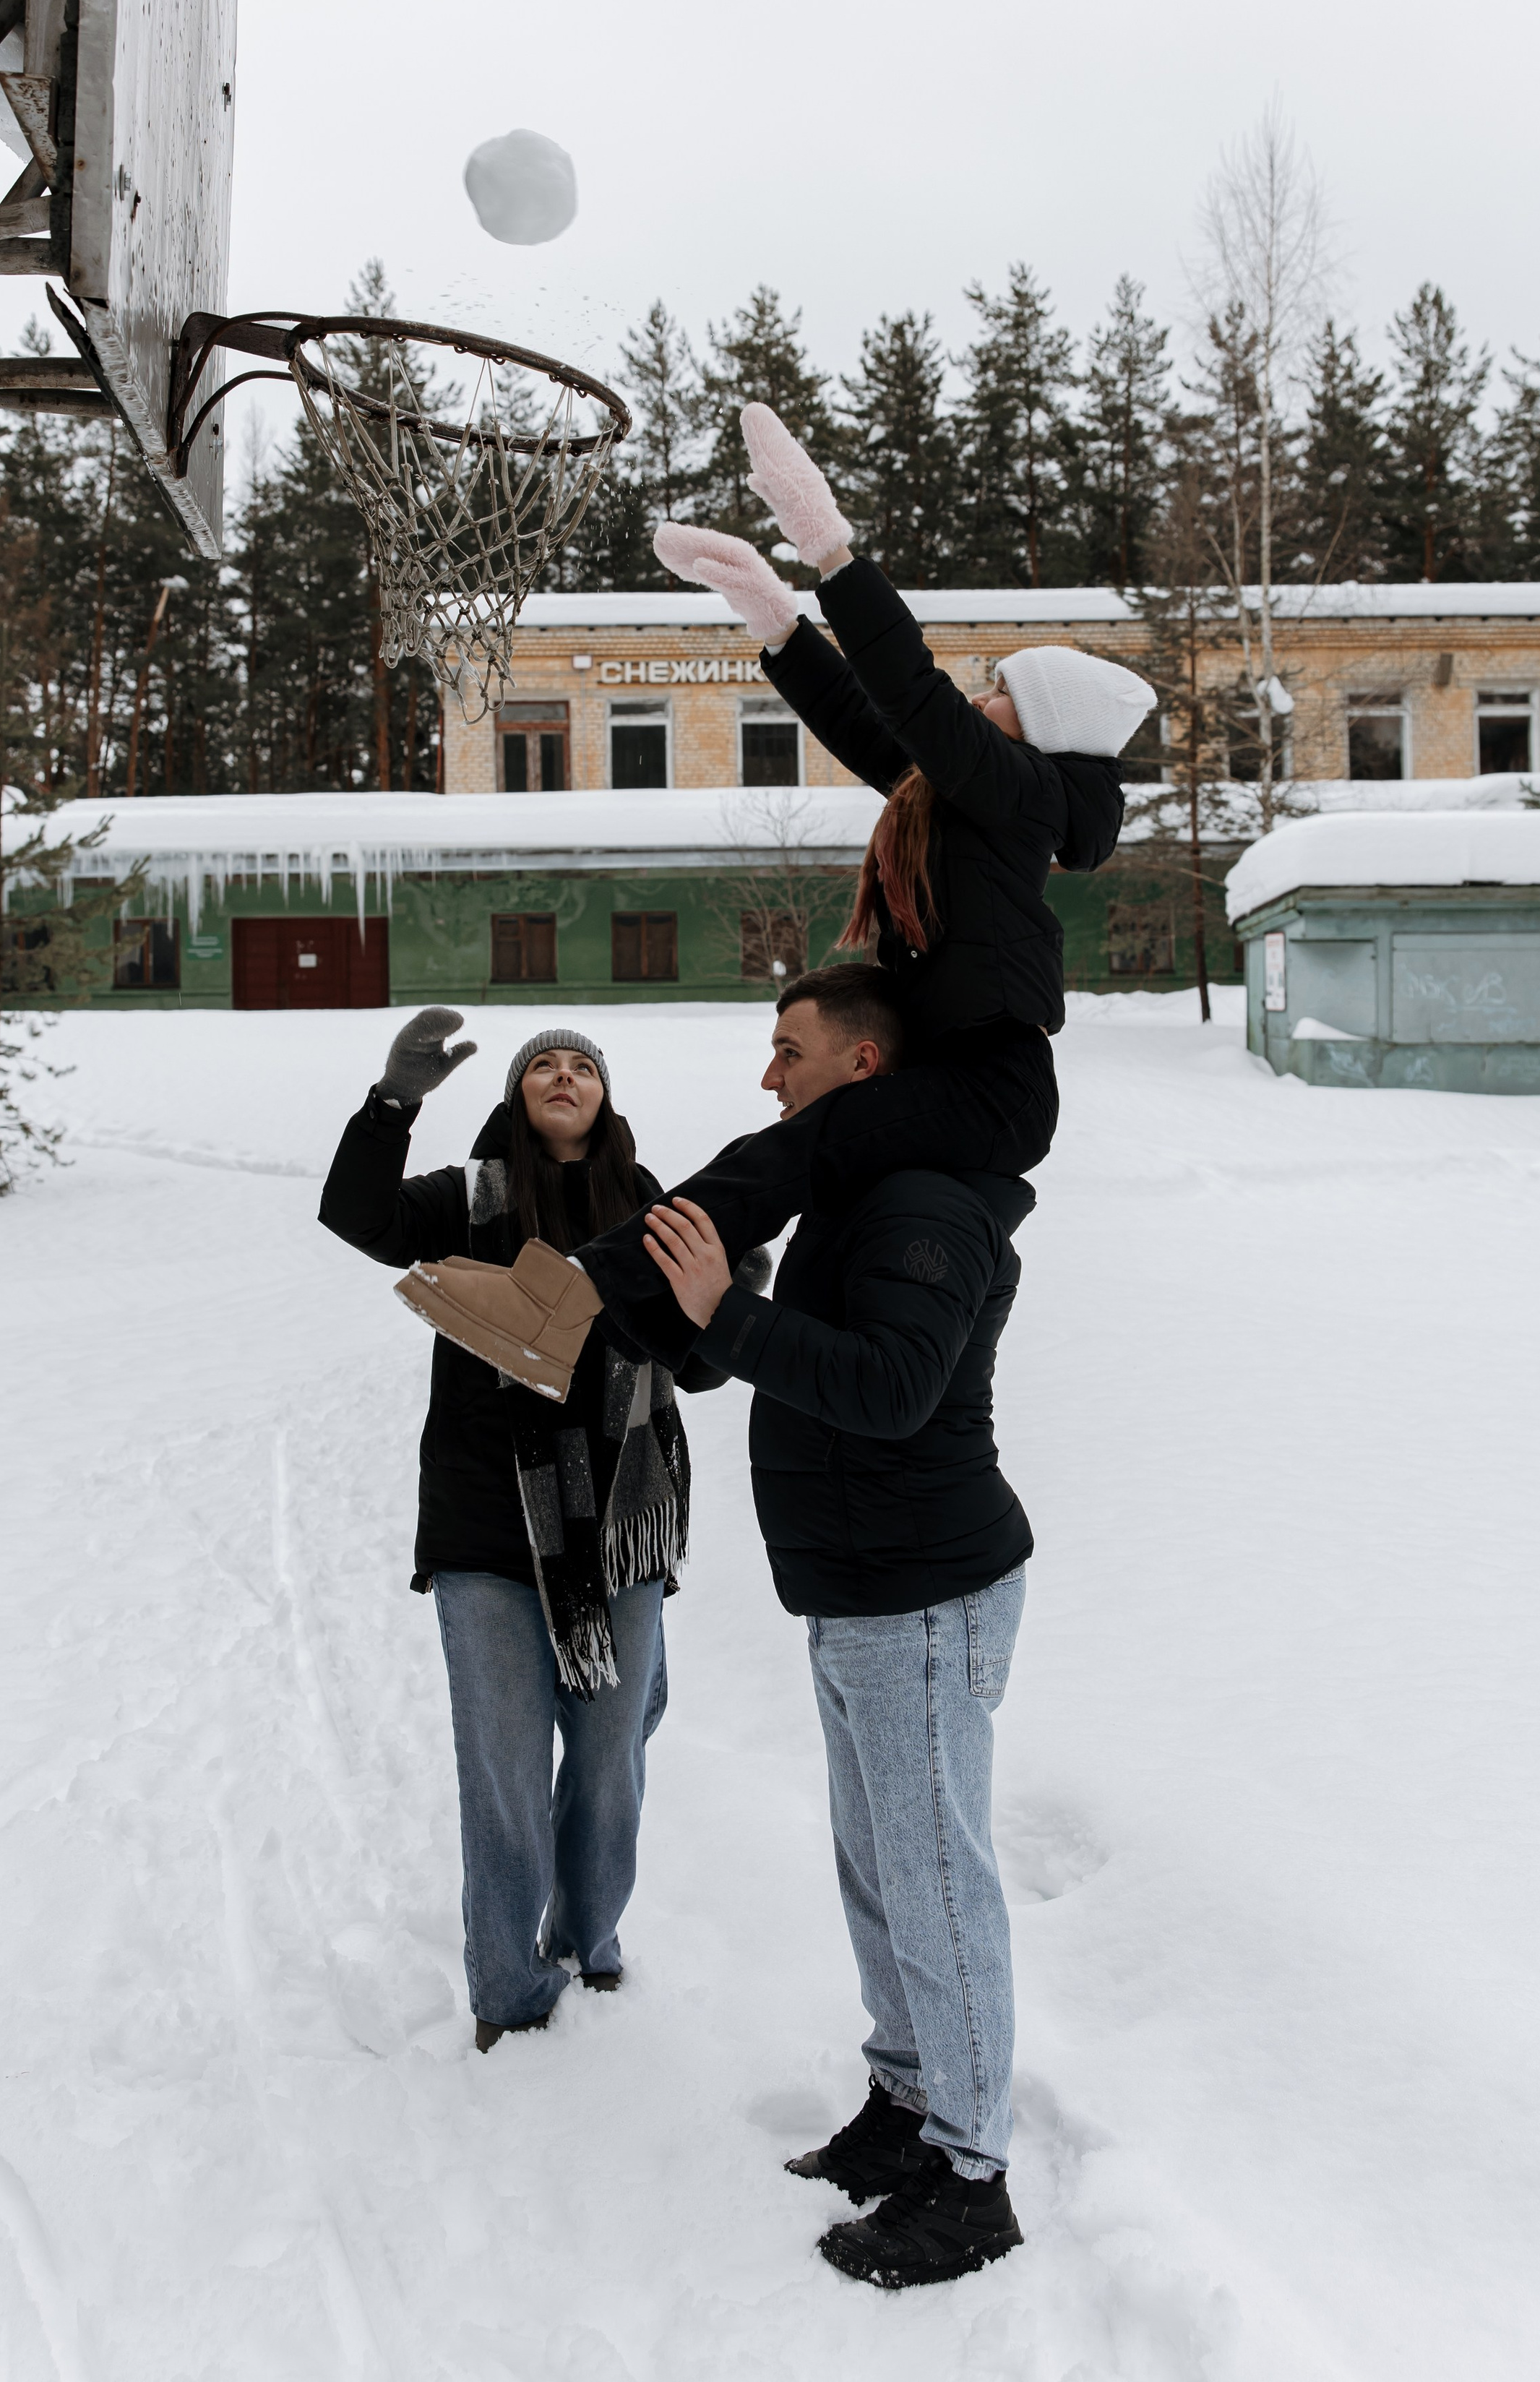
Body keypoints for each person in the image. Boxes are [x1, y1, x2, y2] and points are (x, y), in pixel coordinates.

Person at [395, 402, 1154, 1398]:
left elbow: (913, 693)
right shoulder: (965, 799)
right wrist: (776, 618)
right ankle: (615, 1319)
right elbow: (863, 719)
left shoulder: (1022, 795)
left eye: (1001, 692)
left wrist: (827, 546)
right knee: (780, 1154)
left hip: (992, 1087)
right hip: (963, 1078)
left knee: (795, 1148)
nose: (979, 698)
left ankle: (570, 1304)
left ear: (1041, 730)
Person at [640, 963, 1035, 2289]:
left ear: (861, 1067)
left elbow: (892, 1390)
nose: (769, 1077)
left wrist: (734, 1316)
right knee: (881, 1876)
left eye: (787, 1049)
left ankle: (972, 2177)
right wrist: (714, 1315)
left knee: (936, 1882)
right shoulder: (859, 1197)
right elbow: (778, 1352)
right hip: (860, 1588)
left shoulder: (922, 1203)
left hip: (922, 1590)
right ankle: (910, 2099)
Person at [317, 1010, 756, 2051]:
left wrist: (738, 1293)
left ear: (606, 1099)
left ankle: (589, 1939)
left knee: (610, 1765)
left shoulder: (656, 1211)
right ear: (516, 1097)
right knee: (505, 1772)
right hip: (484, 1522)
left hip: (621, 1526)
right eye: (544, 1069)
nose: (564, 1078)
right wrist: (392, 1104)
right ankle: (508, 1989)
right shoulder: (471, 1201)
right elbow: (354, 1214)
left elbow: (696, 1369)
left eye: (583, 1068)